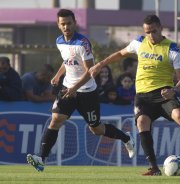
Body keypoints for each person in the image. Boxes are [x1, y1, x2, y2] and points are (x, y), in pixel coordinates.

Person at [89, 14, 180, 176]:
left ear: (161, 28)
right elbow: (120, 53)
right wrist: (100, 64)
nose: (150, 35)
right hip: (143, 96)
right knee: (142, 122)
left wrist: (173, 90)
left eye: (153, 31)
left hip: (164, 94)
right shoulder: (139, 42)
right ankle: (154, 168)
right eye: (147, 32)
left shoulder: (172, 48)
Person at [26, 9, 136, 172]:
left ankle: (126, 138)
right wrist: (58, 75)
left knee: (96, 129)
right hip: (68, 88)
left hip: (86, 92)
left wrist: (74, 88)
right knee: (55, 119)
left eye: (69, 23)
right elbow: (67, 60)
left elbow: (90, 71)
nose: (66, 26)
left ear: (74, 23)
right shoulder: (59, 41)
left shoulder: (82, 43)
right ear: (58, 25)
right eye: (62, 24)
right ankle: (41, 159)